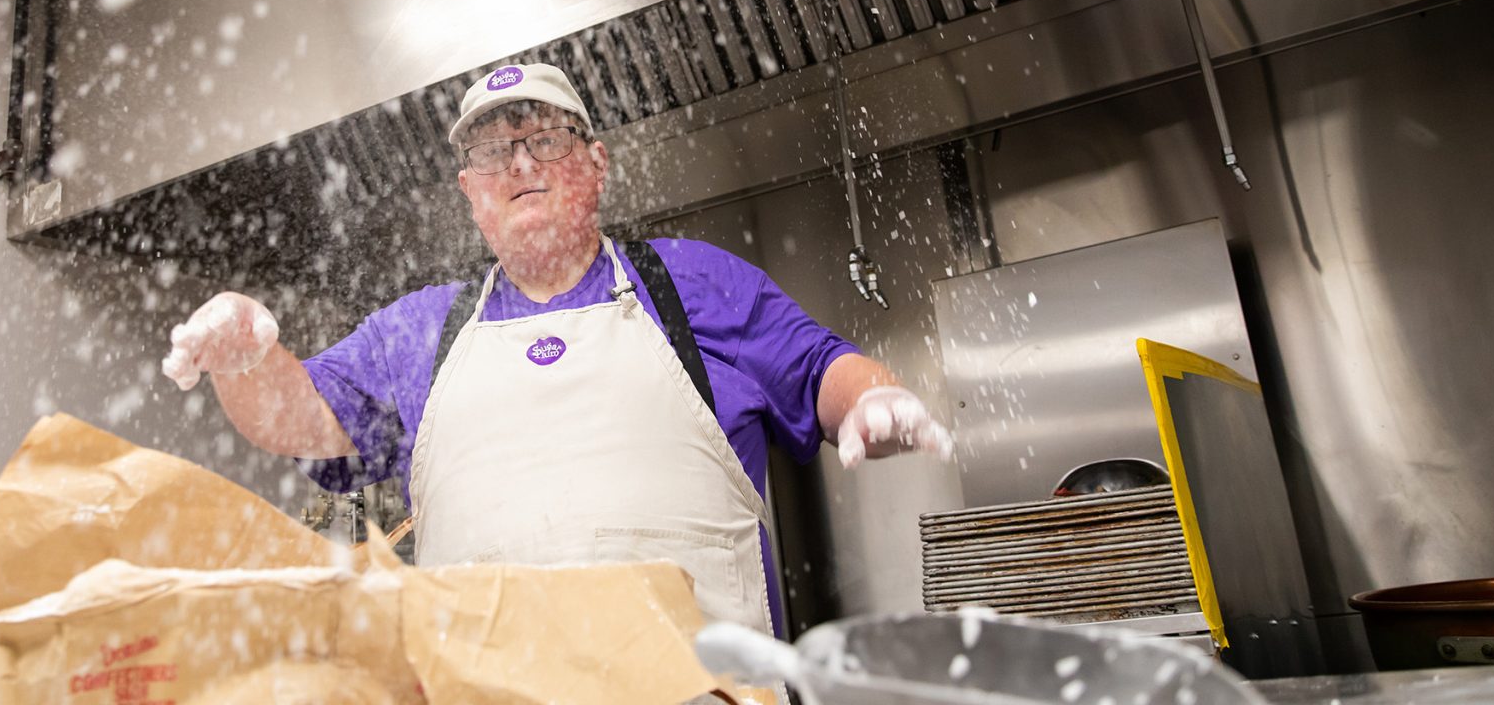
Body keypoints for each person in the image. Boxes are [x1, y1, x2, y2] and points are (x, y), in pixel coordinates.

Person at [162, 62, 952, 637]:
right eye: (490, 153)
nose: (518, 165)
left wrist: (870, 397)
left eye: (543, 139)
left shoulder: (695, 284)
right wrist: (244, 359)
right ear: (470, 194)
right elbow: (303, 418)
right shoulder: (419, 331)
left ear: (596, 163)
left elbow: (822, 369)